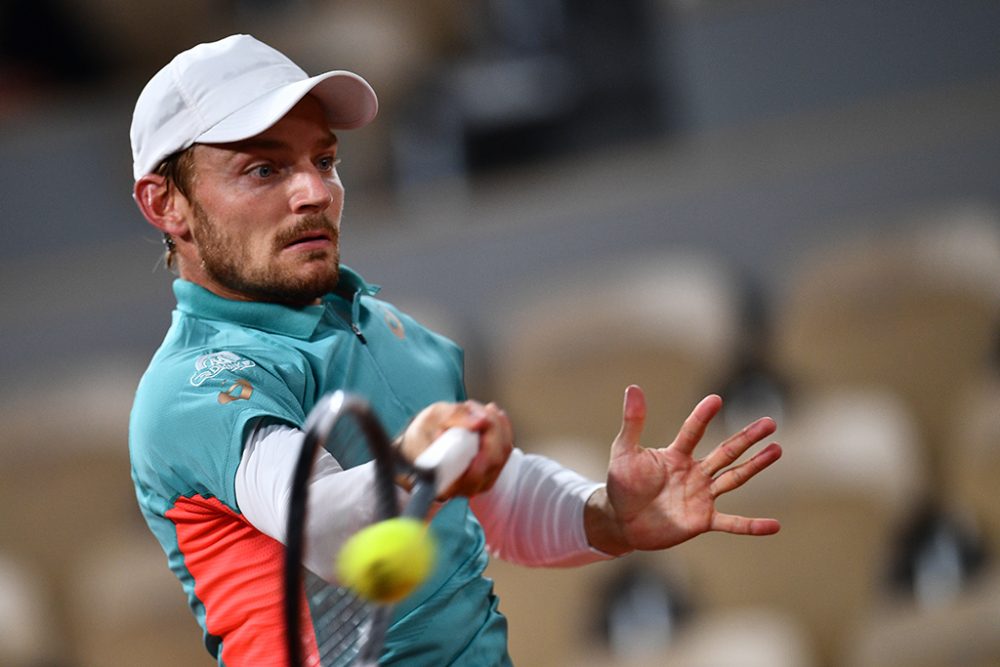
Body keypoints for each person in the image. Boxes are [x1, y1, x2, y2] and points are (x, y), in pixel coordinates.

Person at [128, 34, 782, 667]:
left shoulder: (387, 325)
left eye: (324, 161)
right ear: (167, 205)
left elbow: (493, 498)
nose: (313, 193)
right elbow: (324, 524)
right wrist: (419, 457)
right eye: (263, 169)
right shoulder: (192, 385)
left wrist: (606, 514)